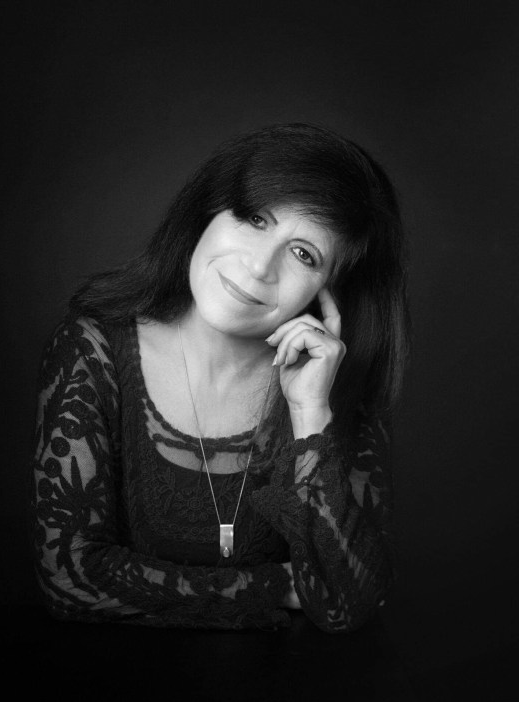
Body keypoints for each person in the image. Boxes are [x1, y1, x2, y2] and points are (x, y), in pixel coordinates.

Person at [30, 123, 411, 633]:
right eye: (254, 219)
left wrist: (310, 414)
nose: (258, 267)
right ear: (207, 212)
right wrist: (279, 587)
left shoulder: (334, 388)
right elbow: (69, 580)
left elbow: (348, 606)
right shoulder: (92, 350)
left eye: (304, 254)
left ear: (330, 292)